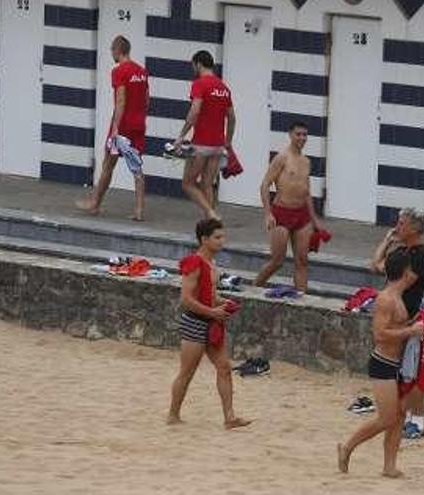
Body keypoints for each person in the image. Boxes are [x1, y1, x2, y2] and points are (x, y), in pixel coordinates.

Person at [337, 250, 424, 478]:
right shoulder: (386, 299)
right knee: (387, 417)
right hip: (383, 364)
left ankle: (389, 466)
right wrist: (411, 330)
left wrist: (414, 325)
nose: (416, 274)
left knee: (398, 416)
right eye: (412, 269)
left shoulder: (398, 297)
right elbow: (380, 334)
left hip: (396, 364)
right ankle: (347, 447)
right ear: (406, 272)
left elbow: (395, 327)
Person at [168, 218, 251, 430]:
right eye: (217, 237)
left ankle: (229, 417)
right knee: (187, 372)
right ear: (204, 239)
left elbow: (209, 295)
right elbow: (186, 299)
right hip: (196, 322)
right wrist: (213, 311)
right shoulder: (195, 263)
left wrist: (224, 302)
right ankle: (173, 414)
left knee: (224, 367)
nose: (222, 242)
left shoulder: (210, 264)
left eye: (222, 237)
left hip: (209, 320)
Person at [371, 208, 424, 439]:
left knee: (413, 371)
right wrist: (387, 241)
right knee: (402, 371)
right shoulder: (402, 251)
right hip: (399, 317)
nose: (398, 227)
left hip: (409, 318)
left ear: (415, 229)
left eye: (402, 224)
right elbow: (376, 264)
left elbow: (400, 280)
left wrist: (390, 272)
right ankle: (405, 415)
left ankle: (417, 420)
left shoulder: (420, 256)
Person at [76, 36, 148, 220]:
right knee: (137, 167)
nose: (111, 54)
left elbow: (121, 100)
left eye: (112, 50)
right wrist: (140, 117)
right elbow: (147, 99)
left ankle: (94, 204)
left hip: (122, 125)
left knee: (108, 164)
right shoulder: (142, 71)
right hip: (138, 123)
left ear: (118, 50)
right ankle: (139, 210)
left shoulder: (119, 71)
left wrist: (116, 127)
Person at [254, 121, 324, 291]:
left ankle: (302, 299)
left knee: (302, 261)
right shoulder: (282, 158)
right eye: (298, 134)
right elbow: (265, 185)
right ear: (290, 135)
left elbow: (306, 191)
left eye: (305, 135)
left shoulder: (306, 161)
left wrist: (314, 219)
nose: (302, 138)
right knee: (278, 260)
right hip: (281, 213)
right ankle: (255, 288)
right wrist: (268, 214)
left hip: (301, 215)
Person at [173, 50, 235, 220]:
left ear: (199, 64)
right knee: (207, 184)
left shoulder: (200, 84)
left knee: (188, 183)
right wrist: (227, 142)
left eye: (193, 65)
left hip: (201, 144)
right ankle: (211, 224)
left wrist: (181, 135)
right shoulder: (223, 88)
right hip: (217, 145)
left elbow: (194, 112)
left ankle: (211, 214)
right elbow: (232, 118)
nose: (193, 68)